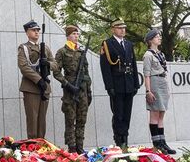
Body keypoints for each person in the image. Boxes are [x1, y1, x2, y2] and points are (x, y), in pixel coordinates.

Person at [99, 20, 139, 149]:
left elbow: (133, 65)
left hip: (129, 83)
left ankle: (125, 139)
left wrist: (136, 83)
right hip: (117, 84)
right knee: (118, 114)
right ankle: (118, 140)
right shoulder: (107, 44)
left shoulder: (128, 44)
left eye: (124, 28)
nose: (122, 30)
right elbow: (105, 67)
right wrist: (109, 86)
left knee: (127, 114)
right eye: (119, 28)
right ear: (113, 29)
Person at [17, 20, 59, 139]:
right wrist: (38, 80)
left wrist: (48, 64)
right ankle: (32, 145)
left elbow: (55, 64)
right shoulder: (24, 48)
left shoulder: (45, 47)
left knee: (42, 119)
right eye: (33, 30)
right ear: (27, 32)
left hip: (44, 88)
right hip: (31, 87)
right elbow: (24, 67)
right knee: (32, 119)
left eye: (38, 30)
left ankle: (41, 143)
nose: (36, 32)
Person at [54, 25, 91, 154]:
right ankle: (72, 147)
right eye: (74, 34)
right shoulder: (62, 52)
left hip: (82, 90)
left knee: (82, 119)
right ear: (68, 36)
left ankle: (80, 147)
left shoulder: (81, 52)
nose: (76, 36)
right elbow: (56, 72)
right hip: (70, 91)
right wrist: (67, 84)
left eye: (77, 34)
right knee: (70, 120)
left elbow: (86, 74)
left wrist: (89, 91)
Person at [142, 29, 175, 154]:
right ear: (150, 40)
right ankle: (156, 144)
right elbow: (147, 75)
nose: (159, 38)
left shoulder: (161, 54)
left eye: (159, 36)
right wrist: (148, 91)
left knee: (161, 114)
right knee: (155, 114)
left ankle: (163, 142)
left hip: (162, 82)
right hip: (154, 83)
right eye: (157, 37)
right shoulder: (148, 55)